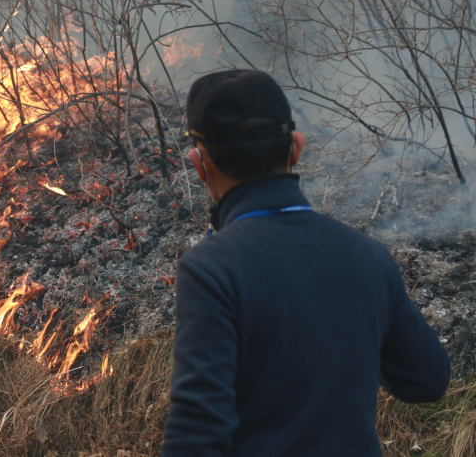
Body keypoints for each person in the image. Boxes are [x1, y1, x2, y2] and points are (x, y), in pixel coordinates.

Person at [162, 69, 450, 457]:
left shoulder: (212, 269)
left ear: (200, 165)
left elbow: (197, 432)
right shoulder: (366, 254)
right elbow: (428, 379)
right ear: (296, 148)